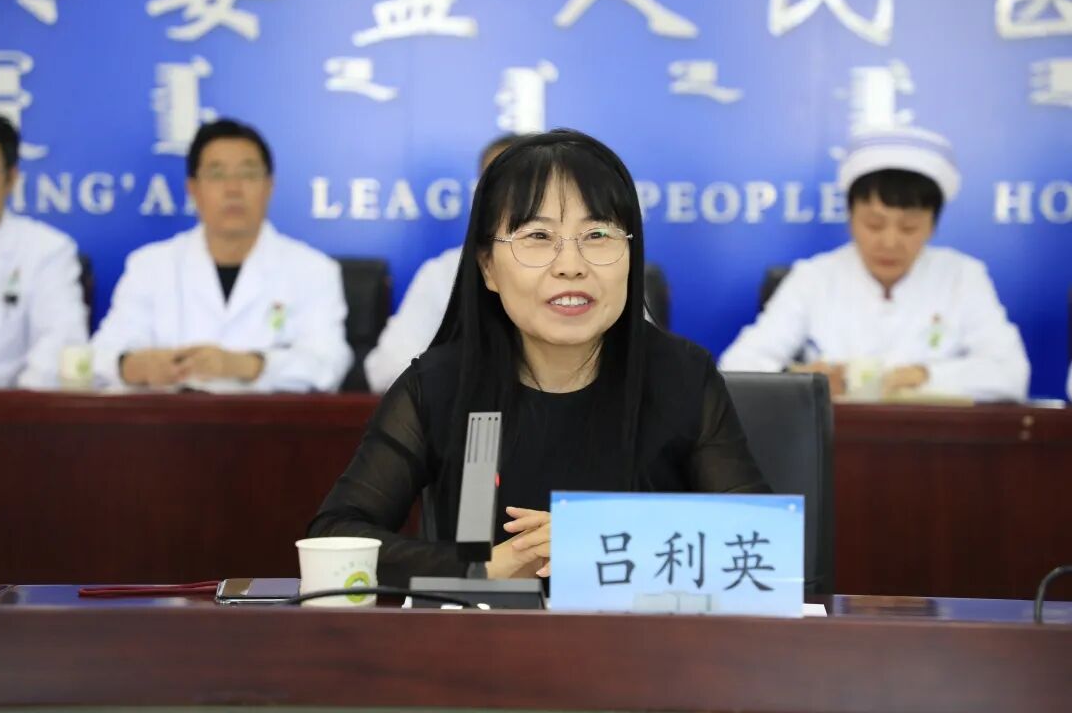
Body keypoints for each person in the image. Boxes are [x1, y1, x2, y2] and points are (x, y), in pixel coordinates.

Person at [309, 129, 769, 587]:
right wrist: (484, 570)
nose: (571, 265)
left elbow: (765, 546)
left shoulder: (682, 376)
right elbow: (334, 535)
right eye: (538, 236)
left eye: (597, 234)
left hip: (640, 632)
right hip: (486, 631)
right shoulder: (438, 385)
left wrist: (601, 543)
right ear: (488, 267)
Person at [720, 128, 1030, 401]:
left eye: (908, 227)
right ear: (850, 218)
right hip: (835, 442)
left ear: (933, 226)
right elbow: (736, 366)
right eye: (874, 224)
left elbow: (1011, 374)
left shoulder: (962, 276)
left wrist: (927, 376)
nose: (890, 242)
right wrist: (800, 380)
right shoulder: (813, 278)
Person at [91, 119, 351, 392]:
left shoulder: (313, 270)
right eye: (217, 174)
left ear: (269, 186)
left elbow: (329, 364)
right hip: (169, 418)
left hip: (269, 419)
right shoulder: (150, 266)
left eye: (248, 174)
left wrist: (246, 365)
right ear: (193, 188)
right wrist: (134, 366)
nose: (233, 189)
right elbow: (99, 357)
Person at [364, 133, 526, 394]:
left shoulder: (573, 269)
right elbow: (385, 370)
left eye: (525, 184)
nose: (511, 197)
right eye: (496, 184)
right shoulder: (442, 273)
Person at [0, 113, 88, 389]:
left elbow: (62, 343)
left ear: (11, 179)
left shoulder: (47, 251)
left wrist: (12, 406)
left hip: (10, 406)